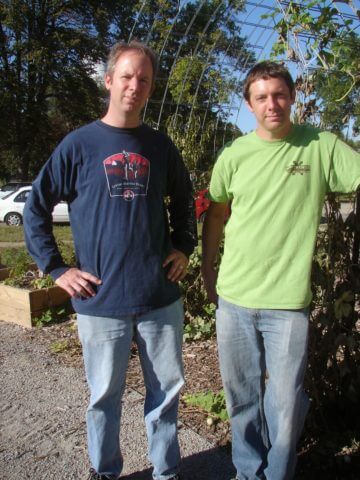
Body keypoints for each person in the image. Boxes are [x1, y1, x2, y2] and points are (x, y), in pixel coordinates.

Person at [24, 40, 197, 480]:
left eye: (144, 79)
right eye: (126, 76)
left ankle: (166, 471)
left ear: (151, 86)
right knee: (104, 397)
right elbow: (36, 208)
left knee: (165, 395)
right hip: (101, 300)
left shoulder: (159, 146)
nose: (134, 85)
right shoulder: (79, 145)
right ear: (108, 80)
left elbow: (183, 197)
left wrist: (184, 246)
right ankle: (106, 472)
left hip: (159, 296)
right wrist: (57, 268)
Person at [201, 61, 360, 480]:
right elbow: (215, 215)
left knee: (286, 403)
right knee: (241, 398)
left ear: (292, 96)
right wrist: (207, 273)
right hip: (234, 298)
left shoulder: (319, 145)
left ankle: (276, 475)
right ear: (249, 104)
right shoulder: (234, 154)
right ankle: (247, 471)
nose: (272, 104)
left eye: (279, 95)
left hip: (288, 304)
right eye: (262, 97)